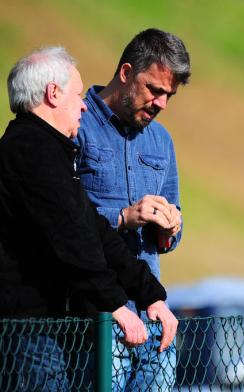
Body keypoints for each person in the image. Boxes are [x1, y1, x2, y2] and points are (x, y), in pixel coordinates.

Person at [0, 46, 178, 391]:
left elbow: (92, 228)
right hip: (28, 335)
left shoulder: (49, 152)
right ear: (53, 94)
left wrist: (150, 294)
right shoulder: (28, 151)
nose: (83, 105)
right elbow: (70, 240)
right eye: (78, 94)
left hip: (49, 333)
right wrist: (116, 305)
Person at [75, 28, 190, 390]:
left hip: (153, 321)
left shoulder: (162, 140)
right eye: (154, 90)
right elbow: (59, 220)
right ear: (126, 73)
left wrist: (171, 228)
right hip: (98, 321)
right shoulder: (75, 125)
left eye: (169, 95)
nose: (161, 104)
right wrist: (124, 218)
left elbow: (172, 232)